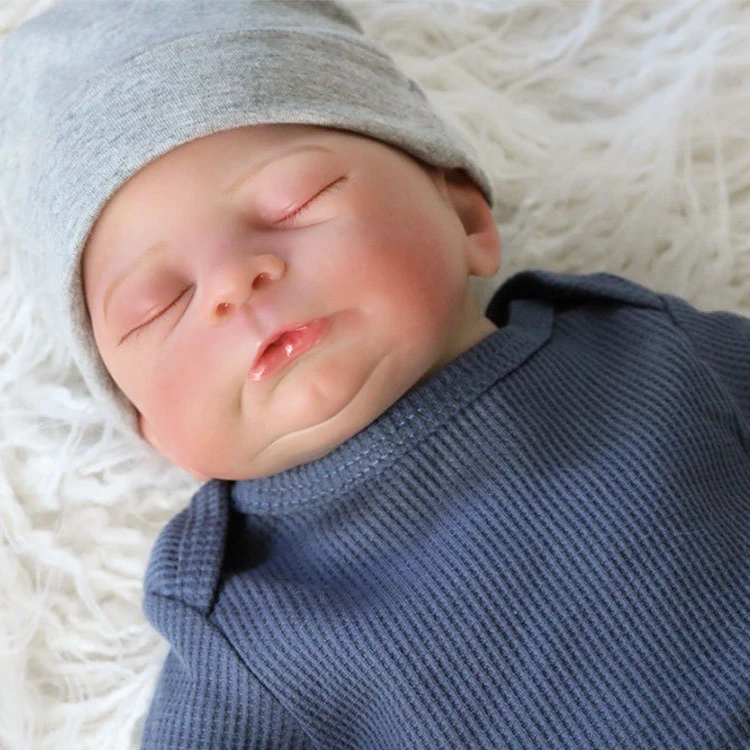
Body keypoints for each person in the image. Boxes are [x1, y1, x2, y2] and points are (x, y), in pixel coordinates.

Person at [1, 1, 748, 748]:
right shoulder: (243, 622)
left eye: (296, 202)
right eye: (157, 305)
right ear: (156, 432)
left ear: (464, 216)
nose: (232, 282)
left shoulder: (642, 345)